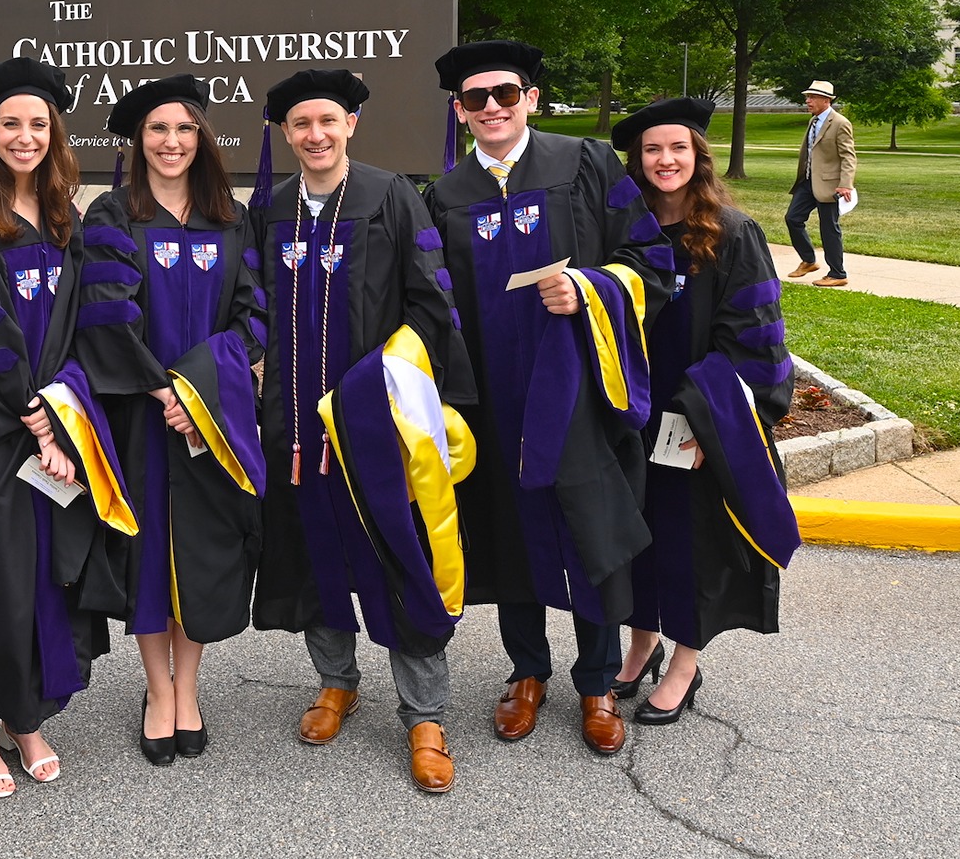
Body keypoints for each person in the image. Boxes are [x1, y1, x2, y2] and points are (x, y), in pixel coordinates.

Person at [425, 40, 672, 757]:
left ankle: (596, 680)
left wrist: (591, 287)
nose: (493, 107)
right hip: (491, 400)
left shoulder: (586, 165)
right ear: (460, 111)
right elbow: (431, 303)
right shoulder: (445, 197)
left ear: (531, 97)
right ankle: (527, 671)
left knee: (590, 530)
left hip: (578, 395)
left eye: (507, 92)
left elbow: (650, 260)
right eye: (477, 98)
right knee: (510, 532)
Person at [249, 68, 473, 794]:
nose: (314, 133)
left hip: (376, 426)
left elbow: (431, 304)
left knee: (399, 553)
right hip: (294, 429)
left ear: (351, 125)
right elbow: (252, 307)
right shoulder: (273, 208)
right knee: (318, 554)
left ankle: (425, 712)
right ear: (287, 134)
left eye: (327, 120)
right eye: (300, 124)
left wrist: (384, 395)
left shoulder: (390, 196)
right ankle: (336, 681)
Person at [0, 55, 127, 798]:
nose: (24, 136)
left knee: (46, 577)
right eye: (10, 123)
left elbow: (88, 329)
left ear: (55, 132)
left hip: (54, 431)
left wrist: (65, 409)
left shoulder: (64, 220)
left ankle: (27, 715)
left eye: (37, 123)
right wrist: (37, 418)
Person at [77, 75, 266, 766]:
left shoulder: (230, 217)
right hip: (143, 418)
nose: (171, 142)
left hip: (211, 421)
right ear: (138, 141)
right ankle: (158, 691)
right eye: (157, 130)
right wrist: (166, 393)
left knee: (206, 554)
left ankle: (190, 687)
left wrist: (205, 397)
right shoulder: (112, 215)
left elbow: (253, 314)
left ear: (202, 138)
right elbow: (108, 315)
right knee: (150, 554)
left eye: (184, 129)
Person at [608, 98, 801, 724]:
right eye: (652, 150)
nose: (665, 160)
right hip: (630, 415)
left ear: (698, 156)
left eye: (678, 148)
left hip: (694, 418)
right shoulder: (625, 233)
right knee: (636, 533)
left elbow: (752, 334)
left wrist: (701, 420)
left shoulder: (730, 232)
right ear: (636, 161)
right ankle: (641, 643)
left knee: (690, 539)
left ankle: (685, 664)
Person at [784, 80, 855, 288]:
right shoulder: (814, 121)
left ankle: (837, 273)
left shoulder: (840, 123)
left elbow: (848, 156)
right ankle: (808, 260)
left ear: (826, 100)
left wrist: (845, 184)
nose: (808, 101)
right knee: (793, 218)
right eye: (807, 97)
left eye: (812, 97)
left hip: (830, 186)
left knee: (829, 228)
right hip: (807, 182)